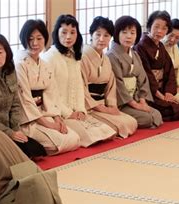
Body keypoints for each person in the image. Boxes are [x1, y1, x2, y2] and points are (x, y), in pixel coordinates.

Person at [42, 14, 116, 147]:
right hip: (59, 112)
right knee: (89, 137)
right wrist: (68, 113)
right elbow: (51, 94)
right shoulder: (50, 57)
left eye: (72, 32)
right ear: (56, 33)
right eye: (64, 32)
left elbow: (79, 87)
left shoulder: (75, 57)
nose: (68, 37)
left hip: (77, 110)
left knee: (107, 133)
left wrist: (81, 110)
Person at [0, 33, 46, 159]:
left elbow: (16, 104)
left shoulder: (11, 72)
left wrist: (15, 130)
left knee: (38, 151)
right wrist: (8, 133)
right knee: (16, 157)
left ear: (7, 53)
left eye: (0, 52)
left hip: (11, 128)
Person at [14, 19, 80, 155]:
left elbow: (52, 94)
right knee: (60, 143)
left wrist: (56, 118)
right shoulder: (19, 63)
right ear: (23, 39)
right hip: (29, 119)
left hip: (44, 113)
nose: (35, 43)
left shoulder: (45, 65)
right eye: (30, 38)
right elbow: (25, 100)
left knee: (75, 139)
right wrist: (48, 125)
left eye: (39, 38)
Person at [80, 16, 138, 138]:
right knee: (114, 128)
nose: (101, 39)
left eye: (106, 36)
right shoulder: (83, 57)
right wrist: (101, 108)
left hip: (104, 105)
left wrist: (111, 106)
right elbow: (82, 88)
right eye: (98, 34)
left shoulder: (106, 58)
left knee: (131, 122)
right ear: (91, 35)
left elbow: (111, 86)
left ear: (111, 37)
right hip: (91, 107)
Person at [107, 16, 163, 128]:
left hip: (136, 98)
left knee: (157, 115)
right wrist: (134, 105)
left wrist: (142, 101)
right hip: (121, 102)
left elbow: (143, 79)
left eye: (132, 33)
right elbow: (118, 83)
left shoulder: (135, 54)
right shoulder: (111, 55)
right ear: (117, 33)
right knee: (147, 118)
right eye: (124, 32)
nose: (129, 36)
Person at [134, 11, 179, 121]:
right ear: (150, 26)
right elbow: (146, 75)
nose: (160, 31)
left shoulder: (161, 46)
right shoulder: (140, 47)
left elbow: (170, 71)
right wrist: (161, 96)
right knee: (178, 109)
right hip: (149, 92)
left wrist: (168, 92)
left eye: (164, 28)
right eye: (156, 27)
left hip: (162, 90)